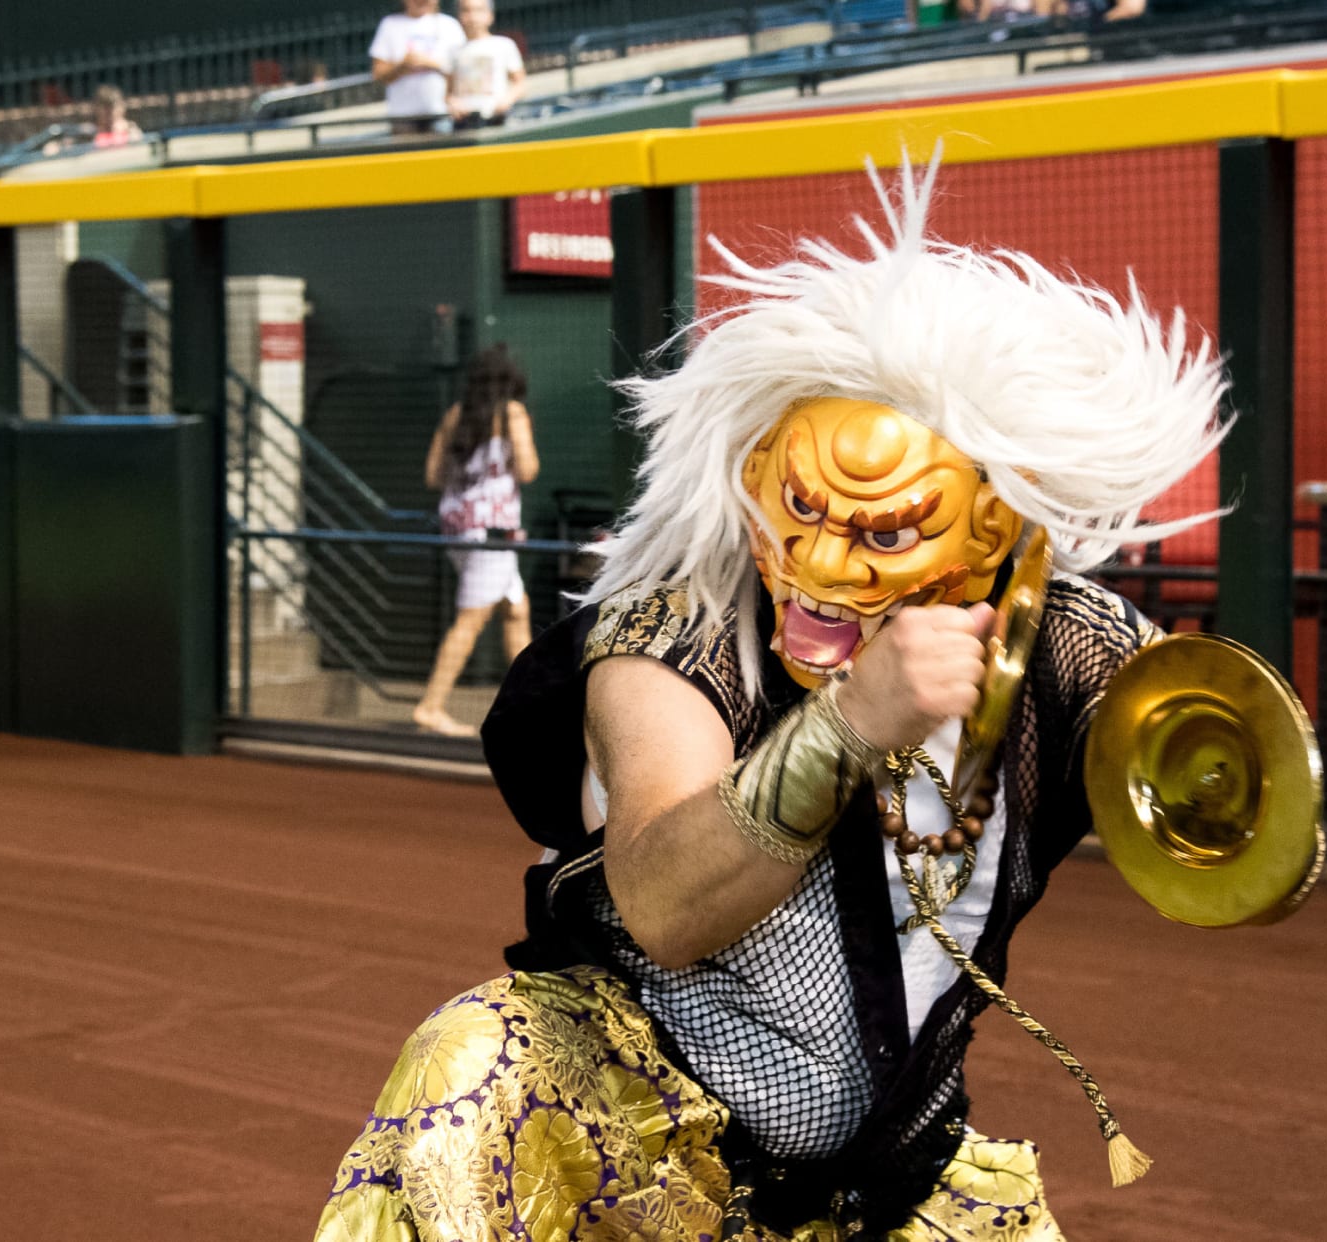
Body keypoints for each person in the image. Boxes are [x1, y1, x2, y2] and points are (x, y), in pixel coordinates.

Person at [314, 154, 1225, 1239]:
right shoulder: (669, 630)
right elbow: (662, 904)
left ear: (994, 539)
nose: (821, 565)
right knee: (470, 1061)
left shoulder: (1055, 636)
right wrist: (851, 723)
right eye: (798, 506)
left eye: (884, 534)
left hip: (891, 1187)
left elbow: (1222, 784)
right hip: (611, 1148)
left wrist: (1198, 754)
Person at [413, 343, 538, 738]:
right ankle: (430, 706)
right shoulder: (511, 413)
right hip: (493, 534)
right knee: (469, 622)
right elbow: (530, 469)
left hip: (459, 529)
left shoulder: (456, 414)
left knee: (516, 611)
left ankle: (531, 706)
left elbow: (433, 476)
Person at [369, 0, 465, 137]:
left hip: (442, 114)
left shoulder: (450, 25)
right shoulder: (390, 25)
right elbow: (378, 73)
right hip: (403, 117)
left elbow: (463, 71)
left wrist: (431, 63)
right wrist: (402, 66)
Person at [446, 0, 524, 130]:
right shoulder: (453, 51)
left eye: (479, 10)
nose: (473, 16)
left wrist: (507, 100)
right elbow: (448, 91)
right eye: (466, 10)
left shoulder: (504, 45)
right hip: (464, 122)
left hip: (497, 119)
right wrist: (453, 103)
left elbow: (520, 83)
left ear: (490, 15)